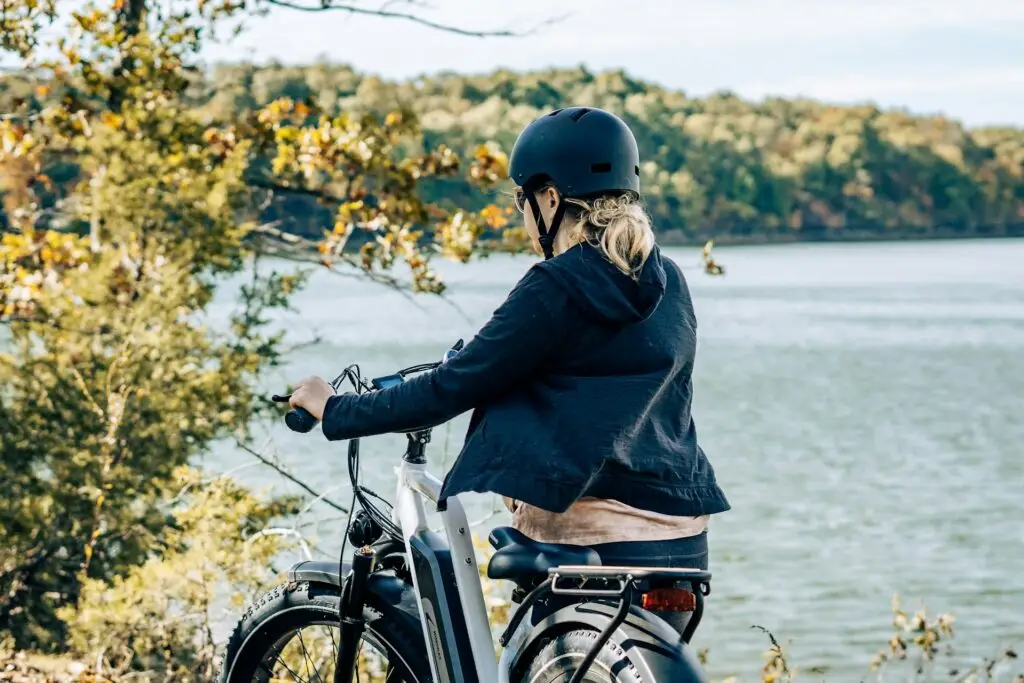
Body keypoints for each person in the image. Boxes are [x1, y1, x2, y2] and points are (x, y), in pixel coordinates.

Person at [287, 107, 730, 630]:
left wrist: (333, 407)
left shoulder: (556, 285)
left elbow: (449, 389)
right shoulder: (669, 280)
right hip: (679, 542)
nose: (522, 217)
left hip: (586, 539)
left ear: (549, 199)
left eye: (522, 200)